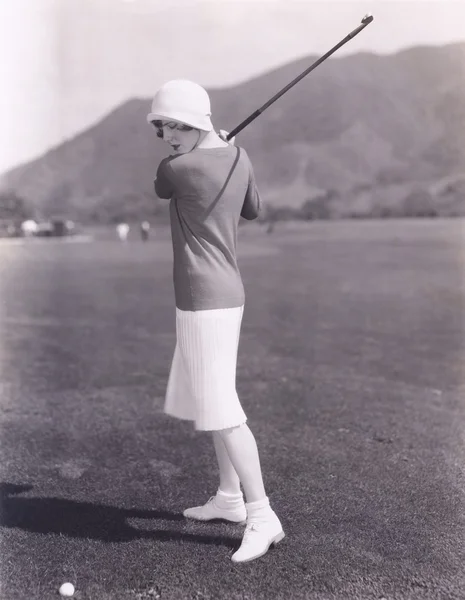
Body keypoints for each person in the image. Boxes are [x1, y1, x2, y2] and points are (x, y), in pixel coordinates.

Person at [147, 80, 284, 563]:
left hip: (206, 299)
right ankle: (229, 499)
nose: (167, 136)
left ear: (195, 123)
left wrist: (209, 149)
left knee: (223, 409)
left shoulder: (176, 169)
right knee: (213, 400)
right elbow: (254, 208)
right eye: (161, 128)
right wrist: (227, 151)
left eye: (173, 126)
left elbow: (162, 184)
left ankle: (262, 515)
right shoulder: (238, 157)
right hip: (220, 295)